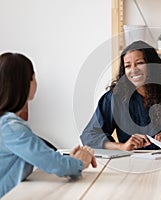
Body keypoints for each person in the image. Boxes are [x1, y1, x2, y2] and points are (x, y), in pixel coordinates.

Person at [0, 52, 97, 198]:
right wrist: (81, 162)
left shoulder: (8, 124)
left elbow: (45, 157)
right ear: (27, 82)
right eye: (34, 77)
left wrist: (68, 161)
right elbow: (54, 164)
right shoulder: (10, 127)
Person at [80, 40, 161, 151]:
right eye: (128, 66)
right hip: (129, 163)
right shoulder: (114, 97)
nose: (133, 70)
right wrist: (122, 146)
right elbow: (89, 136)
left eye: (139, 63)